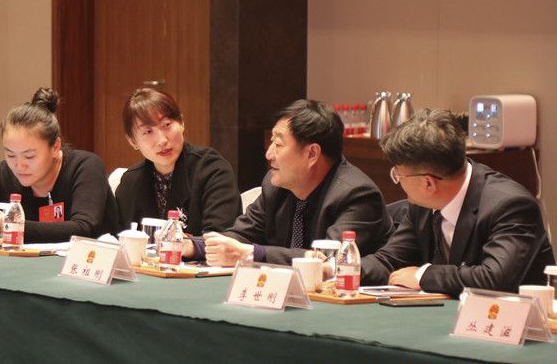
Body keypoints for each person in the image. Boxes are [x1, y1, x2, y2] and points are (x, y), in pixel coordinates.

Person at [361, 109, 555, 296]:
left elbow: (494, 279)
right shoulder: (423, 204)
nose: (398, 181)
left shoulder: (510, 205)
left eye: (399, 175)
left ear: (428, 183)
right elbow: (390, 260)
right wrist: (348, 270)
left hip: (513, 316)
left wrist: (423, 275)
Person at [183, 99, 393, 266]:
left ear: (312, 153)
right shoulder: (275, 186)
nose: (268, 154)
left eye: (278, 144)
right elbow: (240, 236)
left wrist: (253, 254)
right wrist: (191, 246)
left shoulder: (357, 195)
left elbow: (328, 260)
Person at [0, 88, 118, 242]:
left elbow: (83, 228)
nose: (19, 166)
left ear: (55, 147)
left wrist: (7, 225)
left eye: (29, 156)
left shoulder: (85, 167)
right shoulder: (4, 174)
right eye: (10, 154)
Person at [115, 87, 241, 235]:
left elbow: (220, 237)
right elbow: (118, 239)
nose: (162, 140)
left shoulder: (212, 170)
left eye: (167, 125)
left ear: (181, 122)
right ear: (132, 141)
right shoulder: (130, 182)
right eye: (148, 131)